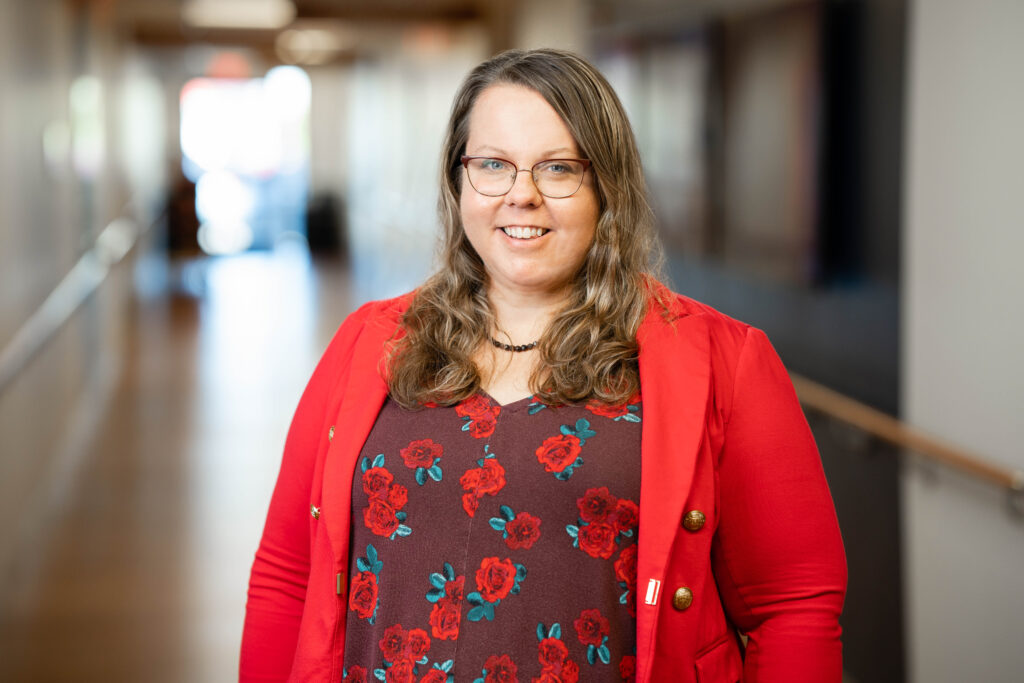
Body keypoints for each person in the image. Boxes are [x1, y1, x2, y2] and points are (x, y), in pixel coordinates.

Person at [241, 48, 846, 683]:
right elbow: (287, 574)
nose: (521, 195)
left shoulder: (725, 362)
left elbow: (792, 605)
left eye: (558, 169)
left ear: (606, 187)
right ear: (458, 180)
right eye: (493, 165)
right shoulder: (371, 343)